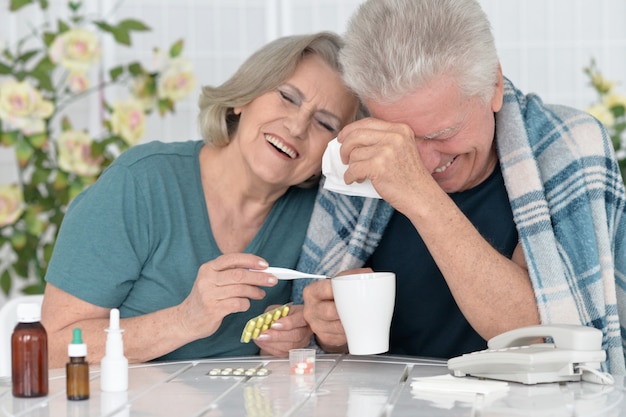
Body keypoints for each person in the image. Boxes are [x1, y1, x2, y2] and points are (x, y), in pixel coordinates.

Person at [295, 0, 626, 374]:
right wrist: (330, 333)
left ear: (494, 86)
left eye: (443, 133)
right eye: (399, 139)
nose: (422, 162)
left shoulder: (565, 149)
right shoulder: (359, 154)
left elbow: (549, 339)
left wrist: (420, 195)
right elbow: (325, 350)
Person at [41, 31, 362, 368]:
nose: (297, 126)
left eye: (324, 123)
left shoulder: (324, 222)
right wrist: (185, 319)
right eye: (287, 96)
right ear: (244, 98)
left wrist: (295, 338)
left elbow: (321, 345)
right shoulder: (139, 184)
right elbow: (52, 347)